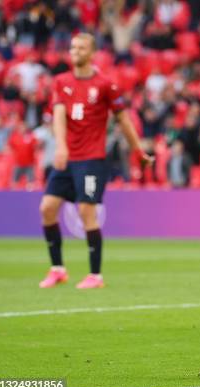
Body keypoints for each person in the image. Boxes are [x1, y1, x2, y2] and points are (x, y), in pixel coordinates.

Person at [38, 33, 152, 289]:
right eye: (73, 47)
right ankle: (57, 269)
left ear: (92, 53)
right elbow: (58, 115)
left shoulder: (105, 85)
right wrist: (61, 147)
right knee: (46, 208)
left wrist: (138, 151)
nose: (75, 51)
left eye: (81, 47)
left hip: (92, 159)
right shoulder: (61, 81)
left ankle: (95, 275)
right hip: (67, 157)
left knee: (85, 211)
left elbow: (123, 120)